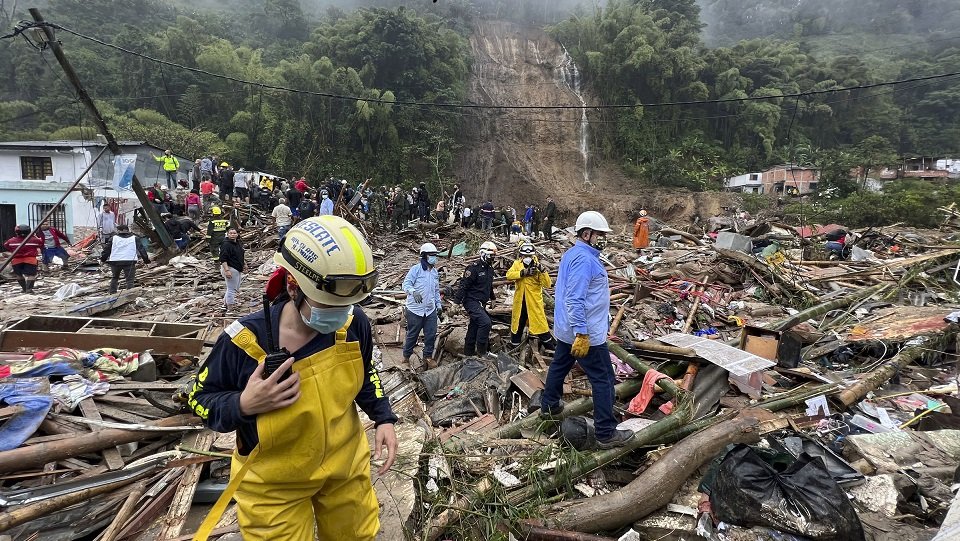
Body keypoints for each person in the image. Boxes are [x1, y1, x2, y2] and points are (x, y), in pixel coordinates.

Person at [188, 215, 397, 541]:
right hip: (274, 487)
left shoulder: (354, 324)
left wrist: (383, 417)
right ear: (292, 286)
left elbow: (366, 372)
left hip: (345, 469)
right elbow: (198, 400)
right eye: (329, 303)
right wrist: (243, 404)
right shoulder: (243, 342)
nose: (341, 313)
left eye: (348, 304)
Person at [540, 211, 632, 449]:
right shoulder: (584, 260)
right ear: (587, 234)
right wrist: (582, 331)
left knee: (560, 365)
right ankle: (605, 433)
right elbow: (574, 299)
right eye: (600, 235)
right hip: (585, 333)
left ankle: (549, 405)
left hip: (567, 329)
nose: (603, 239)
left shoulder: (575, 254)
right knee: (604, 379)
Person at [401, 243, 442, 370]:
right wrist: (413, 291)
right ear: (424, 256)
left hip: (430, 310)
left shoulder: (434, 272)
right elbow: (406, 284)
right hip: (415, 310)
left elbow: (436, 291)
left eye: (435, 255)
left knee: (431, 334)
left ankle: (428, 357)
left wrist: (438, 305)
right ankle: (406, 357)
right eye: (432, 255)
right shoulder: (416, 269)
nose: (434, 258)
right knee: (413, 334)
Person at [506, 243, 554, 348]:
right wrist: (523, 273)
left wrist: (542, 271)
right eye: (525, 256)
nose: (527, 258)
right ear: (521, 256)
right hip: (520, 303)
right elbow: (509, 275)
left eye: (529, 256)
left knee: (541, 326)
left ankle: (551, 348)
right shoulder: (517, 264)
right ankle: (515, 347)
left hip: (533, 303)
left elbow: (548, 284)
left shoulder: (538, 267)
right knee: (518, 325)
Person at [461, 241, 498, 356]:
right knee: (485, 322)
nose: (492, 258)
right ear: (483, 254)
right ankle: (482, 352)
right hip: (471, 301)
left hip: (481, 302)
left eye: (494, 256)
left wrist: (493, 298)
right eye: (491, 255)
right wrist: (456, 303)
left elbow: (488, 285)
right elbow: (463, 286)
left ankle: (468, 353)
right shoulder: (473, 269)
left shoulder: (490, 269)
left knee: (474, 326)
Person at [101, 224, 150, 293]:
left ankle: (112, 292)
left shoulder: (113, 238)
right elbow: (142, 250)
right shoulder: (135, 238)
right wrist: (146, 261)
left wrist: (103, 259)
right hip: (129, 261)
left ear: (119, 230)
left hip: (115, 261)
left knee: (115, 277)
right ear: (127, 230)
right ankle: (130, 293)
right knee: (130, 279)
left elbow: (107, 250)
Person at [2, 224, 44, 293]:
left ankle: (24, 289)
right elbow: (41, 244)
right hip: (30, 260)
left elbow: (6, 246)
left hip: (16, 260)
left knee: (19, 275)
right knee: (31, 275)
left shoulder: (11, 241)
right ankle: (29, 289)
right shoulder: (34, 240)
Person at [219, 228, 245, 313]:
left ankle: (225, 305)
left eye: (234, 233)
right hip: (230, 268)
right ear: (227, 234)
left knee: (232, 288)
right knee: (231, 289)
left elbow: (240, 255)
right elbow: (223, 258)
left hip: (237, 267)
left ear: (237, 234)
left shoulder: (237, 243)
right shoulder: (226, 244)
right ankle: (230, 308)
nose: (233, 235)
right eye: (231, 233)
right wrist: (227, 270)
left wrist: (244, 264)